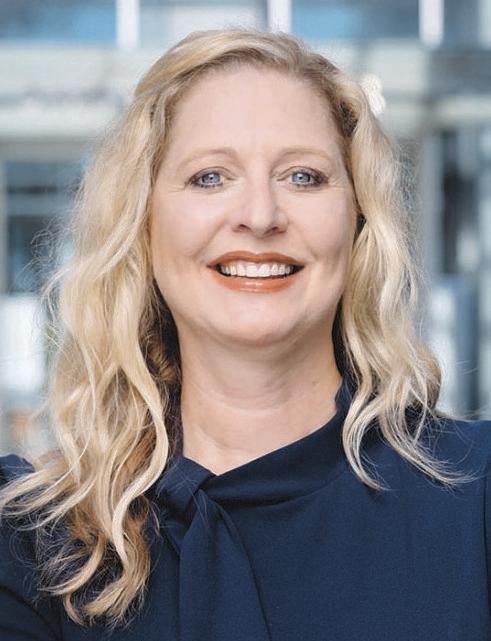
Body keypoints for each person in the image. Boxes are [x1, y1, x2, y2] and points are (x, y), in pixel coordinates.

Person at [0, 27, 490, 641]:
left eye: (303, 176)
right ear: (143, 223)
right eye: (210, 177)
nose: (260, 216)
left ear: (358, 221)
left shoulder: (477, 495)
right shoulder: (30, 539)